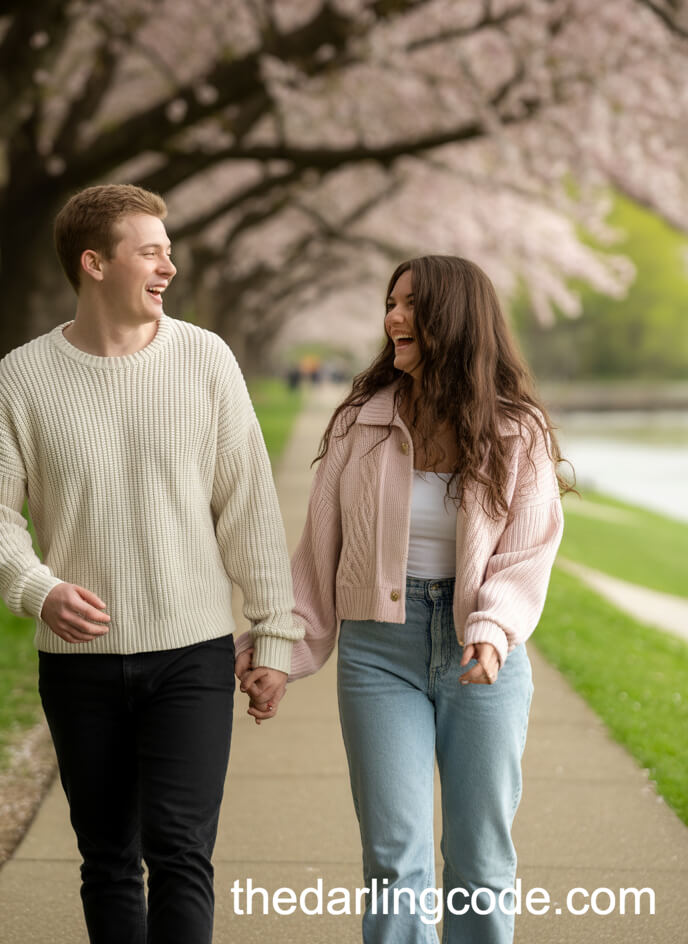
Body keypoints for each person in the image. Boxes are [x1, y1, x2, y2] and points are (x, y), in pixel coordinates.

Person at [0, 183, 301, 944]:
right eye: (150, 253)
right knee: (108, 858)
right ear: (94, 264)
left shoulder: (206, 360)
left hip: (191, 654)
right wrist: (37, 589)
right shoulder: (22, 377)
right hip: (78, 663)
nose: (168, 268)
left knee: (180, 852)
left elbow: (248, 507)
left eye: (168, 252)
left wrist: (274, 636)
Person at [238, 254, 567, 943]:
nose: (393, 318)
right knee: (393, 860)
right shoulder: (361, 422)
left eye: (411, 304)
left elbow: (528, 550)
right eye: (390, 303)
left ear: (457, 318)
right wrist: (279, 649)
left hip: (481, 657)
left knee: (480, 861)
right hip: (377, 653)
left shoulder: (518, 430)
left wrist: (492, 628)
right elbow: (318, 553)